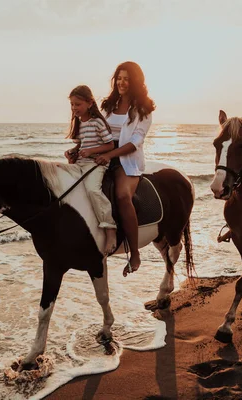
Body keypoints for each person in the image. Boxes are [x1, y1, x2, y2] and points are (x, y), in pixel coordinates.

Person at [93, 61, 156, 277]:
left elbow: (135, 142)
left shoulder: (143, 110)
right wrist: (78, 149)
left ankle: (135, 253)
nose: (122, 82)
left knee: (122, 196)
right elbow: (97, 132)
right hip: (103, 156)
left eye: (127, 78)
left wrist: (109, 155)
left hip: (126, 162)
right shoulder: (107, 106)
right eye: (119, 78)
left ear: (135, 82)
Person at [64, 85, 117, 255]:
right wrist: (72, 153)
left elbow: (110, 145)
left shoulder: (97, 122)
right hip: (80, 162)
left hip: (95, 163)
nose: (74, 108)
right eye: (72, 105)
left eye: (77, 104)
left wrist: (91, 151)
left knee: (93, 190)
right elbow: (82, 144)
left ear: (89, 103)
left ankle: (110, 229)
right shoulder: (79, 123)